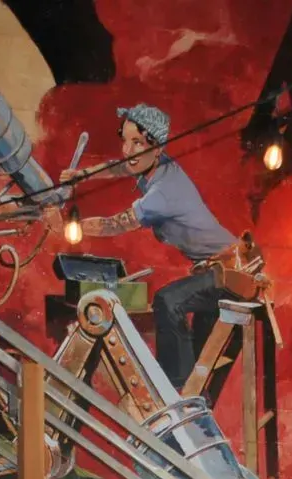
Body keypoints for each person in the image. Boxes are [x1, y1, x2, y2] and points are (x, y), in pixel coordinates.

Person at [50, 102, 241, 385]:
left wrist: (68, 227)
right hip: (212, 270)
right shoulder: (155, 165)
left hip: (232, 272)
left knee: (168, 301)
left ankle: (173, 389)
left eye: (137, 142)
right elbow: (120, 169)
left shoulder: (163, 191)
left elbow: (118, 223)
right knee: (196, 359)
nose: (127, 151)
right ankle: (188, 390)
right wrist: (83, 176)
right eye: (125, 141)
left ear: (157, 146)